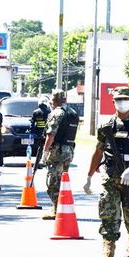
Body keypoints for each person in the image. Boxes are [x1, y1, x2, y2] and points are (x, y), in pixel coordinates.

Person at [83, 86, 129, 257]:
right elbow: (98, 151)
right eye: (118, 99)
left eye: (125, 99)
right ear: (113, 102)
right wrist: (89, 176)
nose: (122, 102)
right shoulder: (106, 126)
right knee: (108, 214)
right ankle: (108, 255)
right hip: (110, 177)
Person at [41, 89, 79, 220]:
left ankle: (57, 210)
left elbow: (51, 135)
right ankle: (61, 208)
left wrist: (45, 152)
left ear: (55, 100)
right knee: (64, 181)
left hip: (57, 152)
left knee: (53, 181)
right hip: (69, 151)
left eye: (52, 100)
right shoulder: (72, 113)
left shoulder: (56, 113)